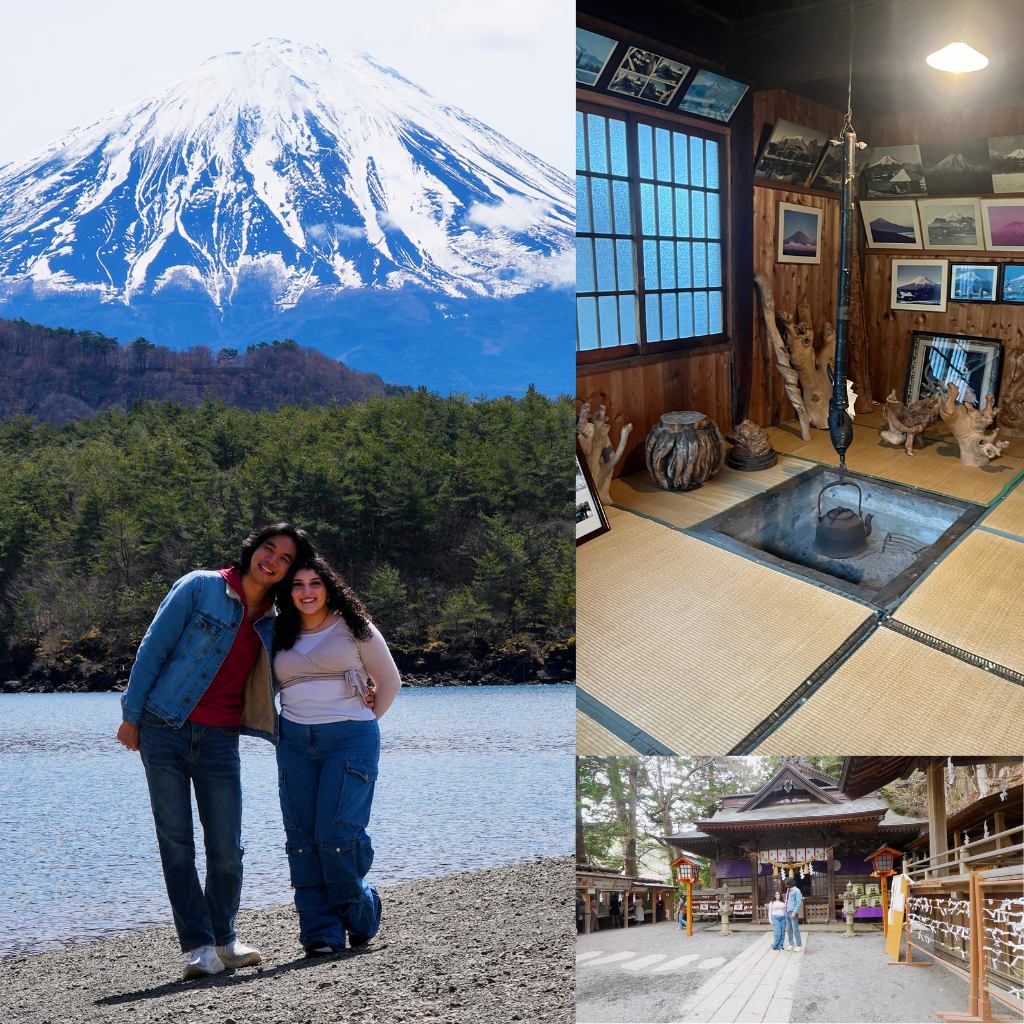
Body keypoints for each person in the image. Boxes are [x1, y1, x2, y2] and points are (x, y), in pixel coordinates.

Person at [117, 524, 313, 980]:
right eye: (269, 549)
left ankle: (225, 938)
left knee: (227, 847)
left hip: (222, 738)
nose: (274, 560)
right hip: (164, 726)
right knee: (176, 842)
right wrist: (131, 715)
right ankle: (199, 947)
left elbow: (318, 646)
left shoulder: (276, 617)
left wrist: (358, 679)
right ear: (252, 549)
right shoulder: (200, 586)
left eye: (285, 558)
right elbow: (153, 649)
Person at [273, 554, 402, 955]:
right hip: (293, 742)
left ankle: (363, 912)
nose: (307, 592)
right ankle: (321, 935)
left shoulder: (356, 628)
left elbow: (390, 682)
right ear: (287, 592)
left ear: (329, 586)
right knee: (302, 841)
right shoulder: (277, 632)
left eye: (315, 583)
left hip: (350, 741)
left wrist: (360, 722)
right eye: (297, 585)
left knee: (336, 836)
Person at [783, 878, 803, 950]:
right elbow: (786, 900)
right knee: (789, 929)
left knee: (795, 929)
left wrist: (795, 912)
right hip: (787, 911)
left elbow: (798, 902)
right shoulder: (788, 890)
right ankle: (791, 944)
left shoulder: (797, 890)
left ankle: (799, 945)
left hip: (792, 912)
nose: (785, 884)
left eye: (786, 882)